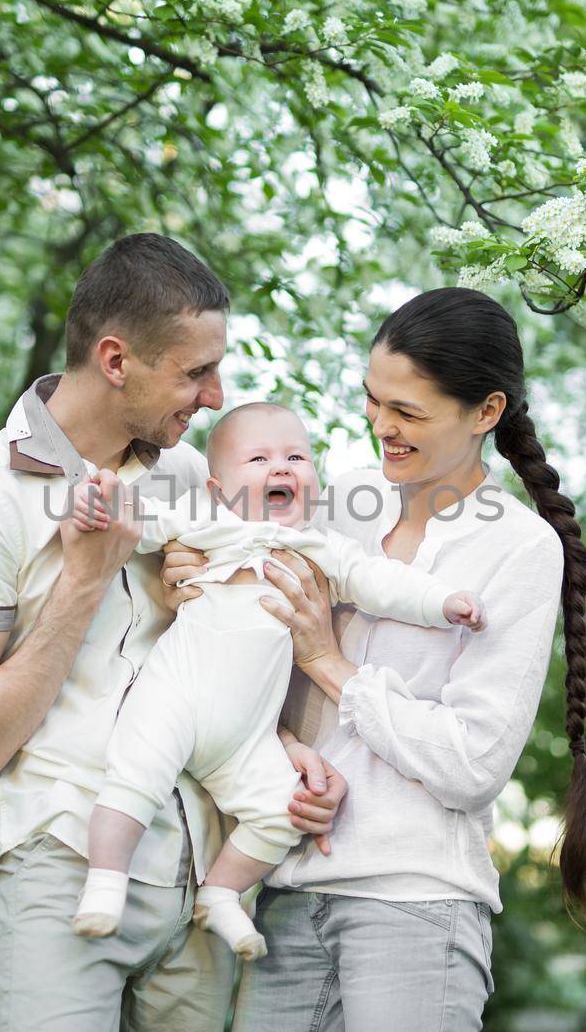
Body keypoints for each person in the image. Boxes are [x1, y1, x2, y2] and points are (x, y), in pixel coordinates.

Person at [0, 233, 345, 1031]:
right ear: (115, 360)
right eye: (194, 372)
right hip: (64, 866)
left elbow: (226, 643)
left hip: (204, 876)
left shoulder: (194, 476)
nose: (216, 397)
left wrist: (281, 743)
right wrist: (85, 576)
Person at [165, 287, 586, 1030]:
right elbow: (249, 659)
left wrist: (328, 660)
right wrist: (283, 748)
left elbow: (473, 766)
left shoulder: (519, 548)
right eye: (374, 400)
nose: (381, 425)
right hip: (286, 893)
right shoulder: (335, 501)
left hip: (414, 905)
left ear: (486, 413)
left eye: (408, 411)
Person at [65, 403, 486, 959]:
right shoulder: (209, 525)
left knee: (280, 812)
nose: (281, 468)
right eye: (259, 458)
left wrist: (440, 602)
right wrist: (103, 503)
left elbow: (378, 580)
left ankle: (220, 894)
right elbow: (142, 525)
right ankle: (105, 883)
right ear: (218, 488)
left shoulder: (319, 547)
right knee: (132, 781)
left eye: (296, 457)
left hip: (248, 738)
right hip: (175, 698)